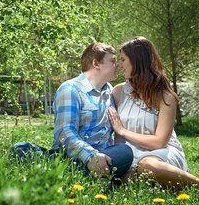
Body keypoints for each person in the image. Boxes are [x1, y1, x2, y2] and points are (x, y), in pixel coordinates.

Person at [108, 37, 199, 190]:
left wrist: (122, 131)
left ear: (137, 62)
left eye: (123, 60)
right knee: (124, 179)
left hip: (160, 153)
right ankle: (170, 180)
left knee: (147, 167)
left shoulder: (165, 97)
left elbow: (160, 142)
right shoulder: (118, 92)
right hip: (130, 155)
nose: (119, 65)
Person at [12, 42, 133, 180]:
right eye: (112, 61)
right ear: (96, 64)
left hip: (105, 157)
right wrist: (90, 156)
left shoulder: (111, 92)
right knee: (20, 149)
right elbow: (65, 132)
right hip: (70, 157)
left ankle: (68, 176)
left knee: (124, 152)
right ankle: (90, 177)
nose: (117, 65)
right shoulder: (70, 89)